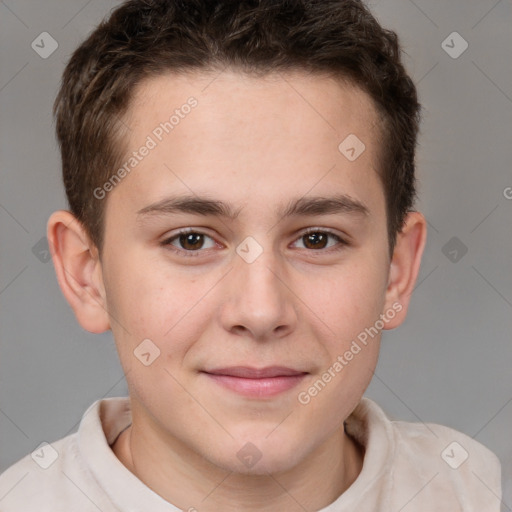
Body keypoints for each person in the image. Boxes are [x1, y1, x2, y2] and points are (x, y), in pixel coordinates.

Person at [0, 0, 502, 510]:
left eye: (317, 239)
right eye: (191, 240)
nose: (261, 312)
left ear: (397, 272)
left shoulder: (476, 491)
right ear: (88, 274)